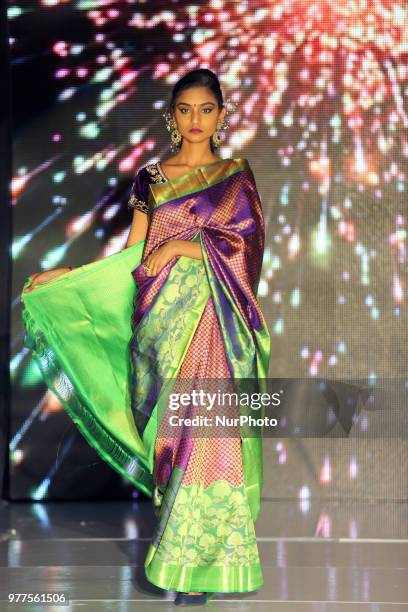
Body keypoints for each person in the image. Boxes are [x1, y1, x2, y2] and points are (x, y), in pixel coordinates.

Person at [21, 68, 271, 606]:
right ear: (171, 116)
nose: (196, 119)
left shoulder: (235, 174)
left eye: (207, 109)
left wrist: (182, 248)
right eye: (186, 109)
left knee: (207, 432)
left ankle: (206, 566)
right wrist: (67, 277)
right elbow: (132, 252)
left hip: (211, 321)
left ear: (223, 116)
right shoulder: (151, 178)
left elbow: (245, 247)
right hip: (159, 324)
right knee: (171, 437)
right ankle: (176, 560)